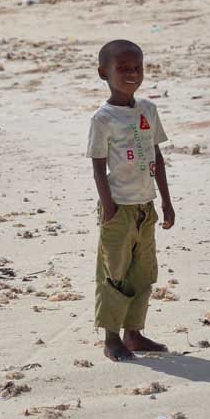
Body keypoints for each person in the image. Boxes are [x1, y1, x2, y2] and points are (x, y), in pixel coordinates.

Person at [87, 39, 175, 362]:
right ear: (103, 73)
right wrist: (108, 205)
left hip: (145, 206)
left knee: (142, 272)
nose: (131, 74)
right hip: (118, 208)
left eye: (136, 68)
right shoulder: (102, 118)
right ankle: (112, 339)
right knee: (115, 272)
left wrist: (166, 201)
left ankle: (134, 334)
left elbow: (157, 156)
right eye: (122, 69)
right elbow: (97, 165)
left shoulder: (148, 110)